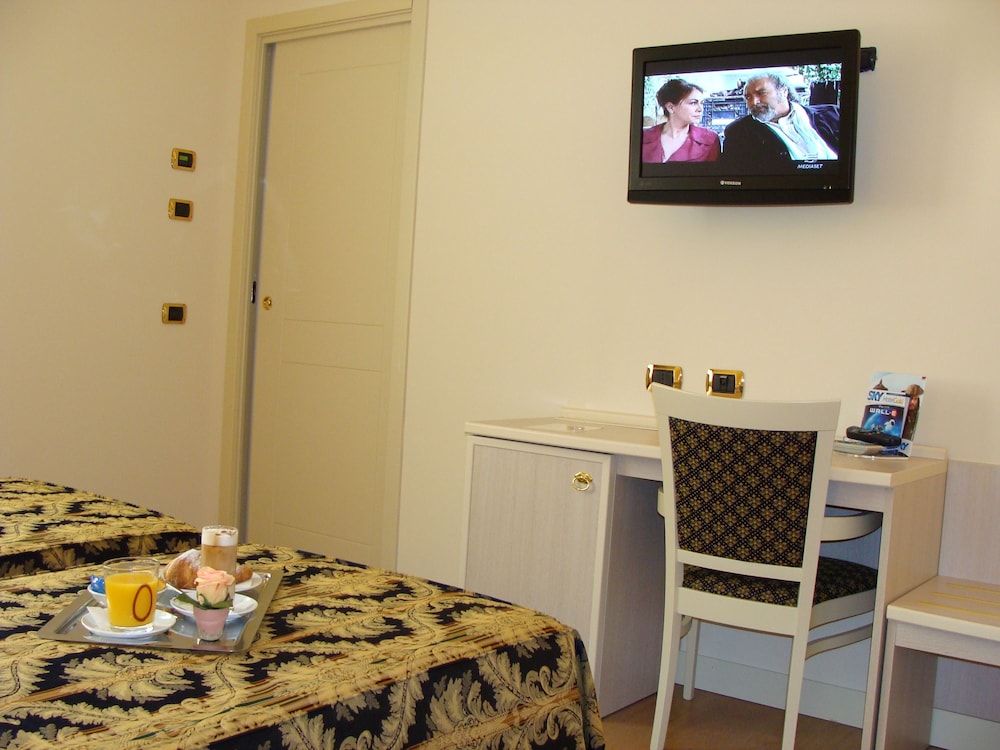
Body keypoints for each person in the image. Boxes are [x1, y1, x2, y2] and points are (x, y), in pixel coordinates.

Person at [721, 71, 839, 172]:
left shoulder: (833, 114)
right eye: (748, 97)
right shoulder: (739, 132)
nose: (754, 102)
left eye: (761, 93)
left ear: (783, 92)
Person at [641, 79, 720, 163]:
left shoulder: (710, 140)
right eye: (693, 103)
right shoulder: (644, 137)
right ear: (671, 107)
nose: (700, 109)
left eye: (702, 103)